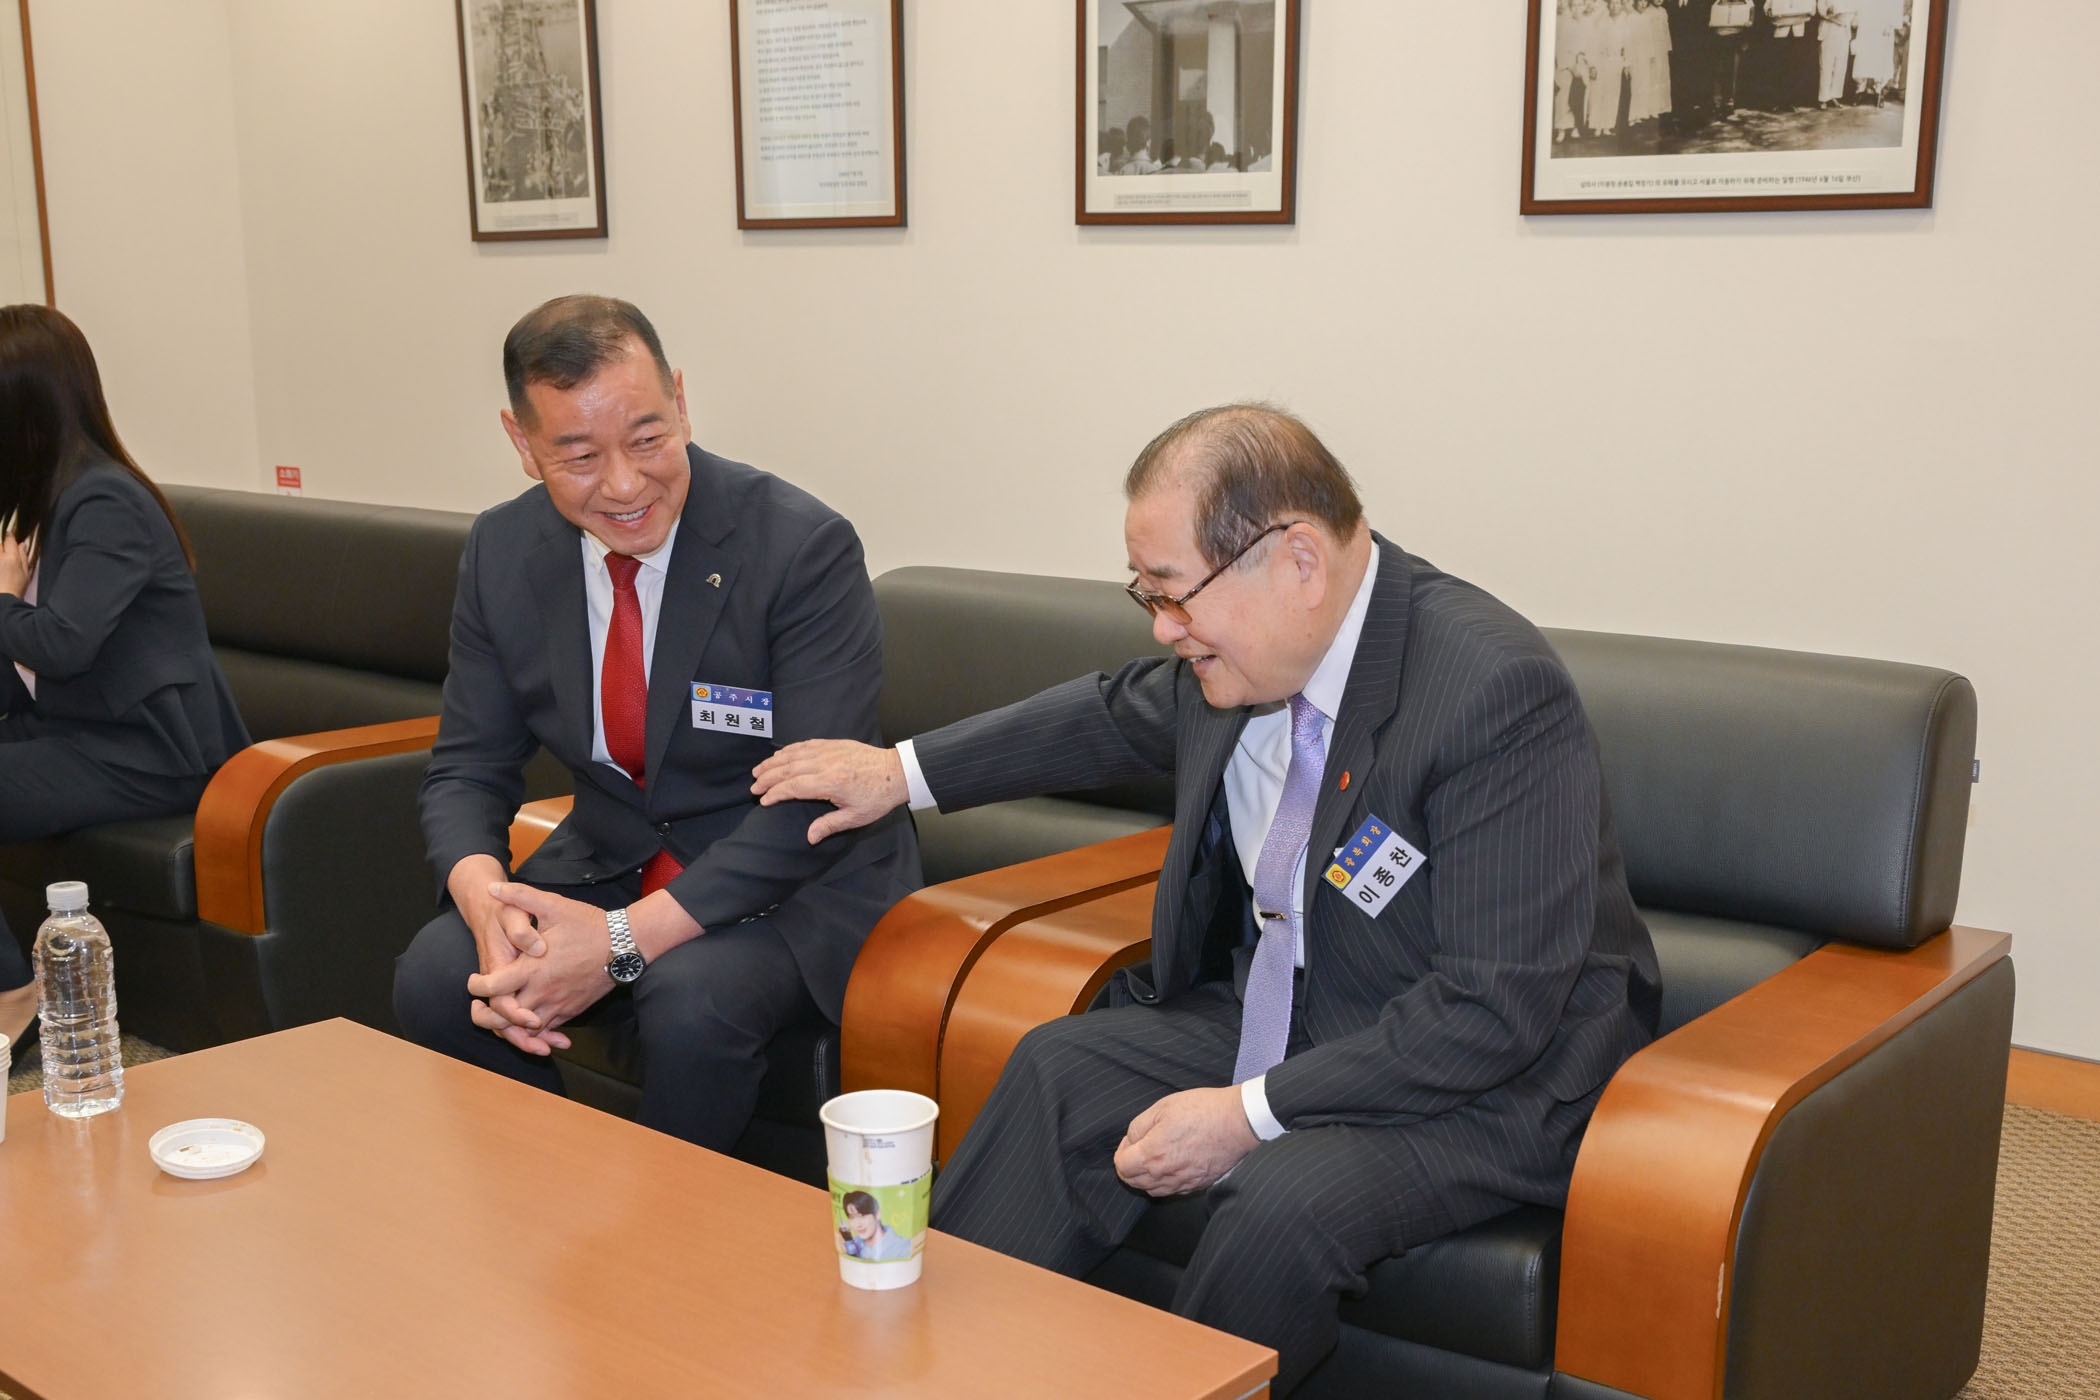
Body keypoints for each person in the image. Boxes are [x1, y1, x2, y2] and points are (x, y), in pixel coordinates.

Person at [751, 404, 1661, 1394]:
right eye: (1146, 594)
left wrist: (1246, 1114)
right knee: (1062, 1068)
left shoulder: (1492, 691)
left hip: (1491, 1074)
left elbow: (1492, 1010)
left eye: (1174, 595)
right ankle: (923, 1376)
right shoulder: (1242, 659)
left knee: (1280, 1203)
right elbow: (1110, 714)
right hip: (1305, 1006)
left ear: (1298, 559)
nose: (1162, 628)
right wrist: (899, 773)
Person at [393, 295, 919, 1150]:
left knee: (691, 998)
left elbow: (813, 802)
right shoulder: (504, 551)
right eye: (579, 456)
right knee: (440, 972)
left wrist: (618, 943)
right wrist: (487, 906)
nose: (625, 485)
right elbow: (467, 767)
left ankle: (669, 1231)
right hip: (615, 856)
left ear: (680, 399)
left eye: (647, 439)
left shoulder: (799, 548)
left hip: (794, 878)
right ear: (522, 443)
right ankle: (544, 1192)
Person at [0, 304, 250, 1060]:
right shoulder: (44, 499)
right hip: (77, 734)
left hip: (151, 753)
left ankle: (14, 995)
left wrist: (1, 599)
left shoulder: (104, 500)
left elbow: (63, 645)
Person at [837, 1190, 913, 1261]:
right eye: (852, 1217)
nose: (858, 1225)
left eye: (862, 1216)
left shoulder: (904, 1247)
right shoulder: (853, 1243)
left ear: (877, 1214)